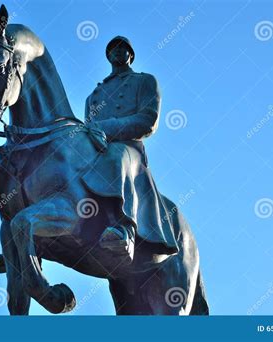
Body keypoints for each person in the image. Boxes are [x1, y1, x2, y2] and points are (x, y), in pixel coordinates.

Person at [83, 36, 179, 264]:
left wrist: (105, 128)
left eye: (122, 47)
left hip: (128, 149)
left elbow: (147, 121)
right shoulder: (93, 96)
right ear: (107, 56)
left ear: (131, 54)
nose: (117, 51)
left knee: (115, 157)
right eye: (112, 49)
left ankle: (124, 229)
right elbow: (87, 127)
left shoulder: (145, 81)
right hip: (96, 148)